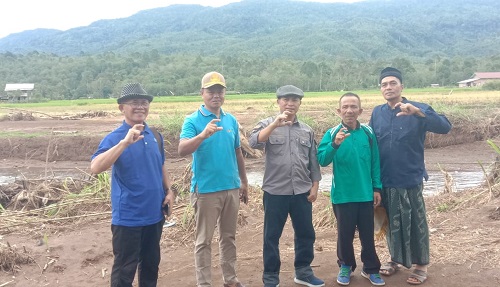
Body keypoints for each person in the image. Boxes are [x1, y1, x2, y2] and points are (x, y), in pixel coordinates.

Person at [369, 67, 452, 285]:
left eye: (393, 83)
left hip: (410, 178)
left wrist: (417, 113)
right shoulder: (377, 113)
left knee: (416, 222)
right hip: (386, 179)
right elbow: (371, 145)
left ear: (401, 86)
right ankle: (395, 259)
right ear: (380, 89)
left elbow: (445, 127)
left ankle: (420, 264)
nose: (388, 87)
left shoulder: (419, 109)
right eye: (384, 84)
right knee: (391, 222)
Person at [90, 83, 174, 287]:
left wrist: (169, 191)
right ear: (122, 108)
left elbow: (160, 164)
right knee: (124, 271)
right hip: (128, 218)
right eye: (134, 103)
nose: (140, 107)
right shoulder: (115, 138)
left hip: (154, 215)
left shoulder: (155, 136)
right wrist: (125, 143)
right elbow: (95, 167)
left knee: (151, 266)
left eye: (144, 102)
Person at [178, 71, 248, 287]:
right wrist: (202, 136)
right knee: (203, 241)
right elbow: (181, 150)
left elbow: (237, 152)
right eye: (211, 91)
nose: (216, 95)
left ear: (224, 93)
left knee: (228, 238)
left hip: (231, 188)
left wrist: (244, 182)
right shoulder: (192, 120)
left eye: (220, 91)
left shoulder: (231, 120)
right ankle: (204, 284)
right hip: (206, 191)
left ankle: (231, 280)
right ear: (202, 93)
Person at [249, 85, 324, 287]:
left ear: (300, 103)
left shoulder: (306, 130)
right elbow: (253, 142)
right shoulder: (267, 124)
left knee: (306, 233)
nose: (290, 103)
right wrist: (275, 124)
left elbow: (313, 162)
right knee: (271, 236)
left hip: (301, 191)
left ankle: (303, 272)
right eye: (286, 99)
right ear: (278, 102)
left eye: (295, 100)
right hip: (275, 192)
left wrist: (315, 186)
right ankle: (271, 277)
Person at [317, 92, 385, 286]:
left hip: (365, 194)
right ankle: (346, 265)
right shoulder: (332, 133)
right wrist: (335, 144)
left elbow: (375, 163)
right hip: (343, 196)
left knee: (367, 234)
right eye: (345, 107)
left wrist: (376, 188)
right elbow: (322, 159)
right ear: (339, 111)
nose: (349, 110)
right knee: (344, 235)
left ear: (360, 111)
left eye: (353, 107)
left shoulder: (368, 133)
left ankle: (371, 268)